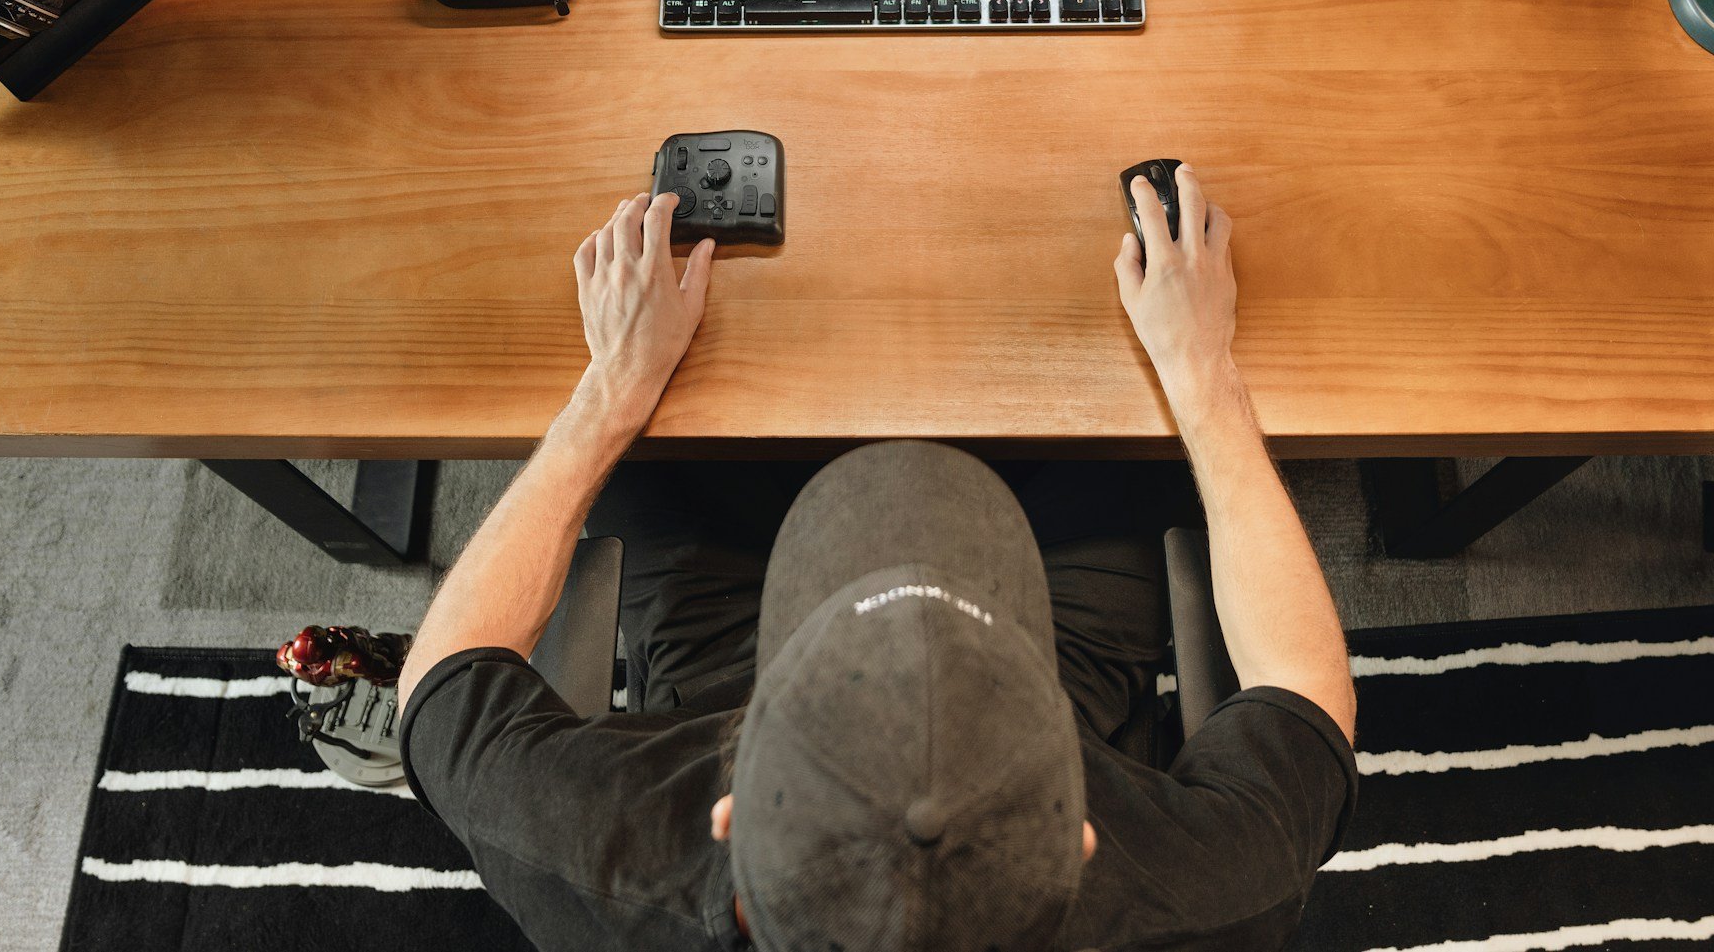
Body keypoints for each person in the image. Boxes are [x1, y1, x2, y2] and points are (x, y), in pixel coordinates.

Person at [398, 164, 1358, 952]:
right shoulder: (1209, 901)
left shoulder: (610, 865)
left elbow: (440, 682)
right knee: (1124, 421)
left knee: (663, 435)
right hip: (1060, 650)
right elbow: (1305, 689)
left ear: (728, 821)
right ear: (1076, 840)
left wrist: (608, 393)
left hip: (728, 652)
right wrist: (1203, 375)